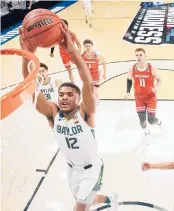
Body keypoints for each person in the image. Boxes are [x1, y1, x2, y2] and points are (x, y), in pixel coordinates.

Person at [19, 22, 118, 211]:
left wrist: (72, 50)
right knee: (87, 200)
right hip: (72, 170)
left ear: (79, 98)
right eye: (61, 94)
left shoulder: (85, 113)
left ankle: (100, 199)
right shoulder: (53, 114)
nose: (64, 97)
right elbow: (30, 87)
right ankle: (109, 199)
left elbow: (87, 81)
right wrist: (26, 55)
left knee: (80, 206)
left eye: (70, 94)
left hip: (92, 169)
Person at [124, 48, 161, 136]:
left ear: (145, 56)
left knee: (151, 120)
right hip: (139, 98)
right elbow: (129, 80)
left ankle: (158, 121)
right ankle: (146, 131)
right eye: (137, 55)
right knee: (142, 119)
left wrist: (157, 88)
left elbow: (159, 80)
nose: (138, 57)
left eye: (140, 55)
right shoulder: (132, 69)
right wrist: (127, 91)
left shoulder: (152, 68)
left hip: (150, 97)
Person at [50, 19, 81, 84]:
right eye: (61, 26)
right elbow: (53, 44)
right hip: (64, 55)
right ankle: (73, 84)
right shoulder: (57, 36)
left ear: (67, 26)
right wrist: (51, 52)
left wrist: (79, 50)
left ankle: (84, 79)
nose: (63, 27)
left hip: (73, 53)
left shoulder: (72, 34)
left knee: (80, 67)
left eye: (64, 26)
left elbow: (78, 44)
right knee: (69, 71)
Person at [81, 39, 107, 103]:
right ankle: (88, 104)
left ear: (92, 46)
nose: (88, 48)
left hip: (96, 75)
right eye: (86, 46)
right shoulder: (82, 55)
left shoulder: (97, 55)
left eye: (89, 46)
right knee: (86, 91)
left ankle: (97, 103)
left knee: (95, 91)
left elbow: (104, 62)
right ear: (84, 47)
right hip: (87, 76)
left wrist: (104, 73)